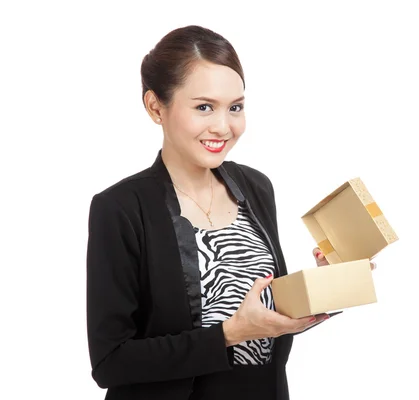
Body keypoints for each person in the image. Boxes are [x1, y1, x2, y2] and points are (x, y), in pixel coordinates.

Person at [85, 24, 348, 400]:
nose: (224, 127)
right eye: (204, 107)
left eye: (235, 107)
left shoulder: (255, 187)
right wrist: (229, 333)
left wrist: (327, 286)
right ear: (155, 106)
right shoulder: (120, 208)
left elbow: (268, 315)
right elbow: (111, 361)